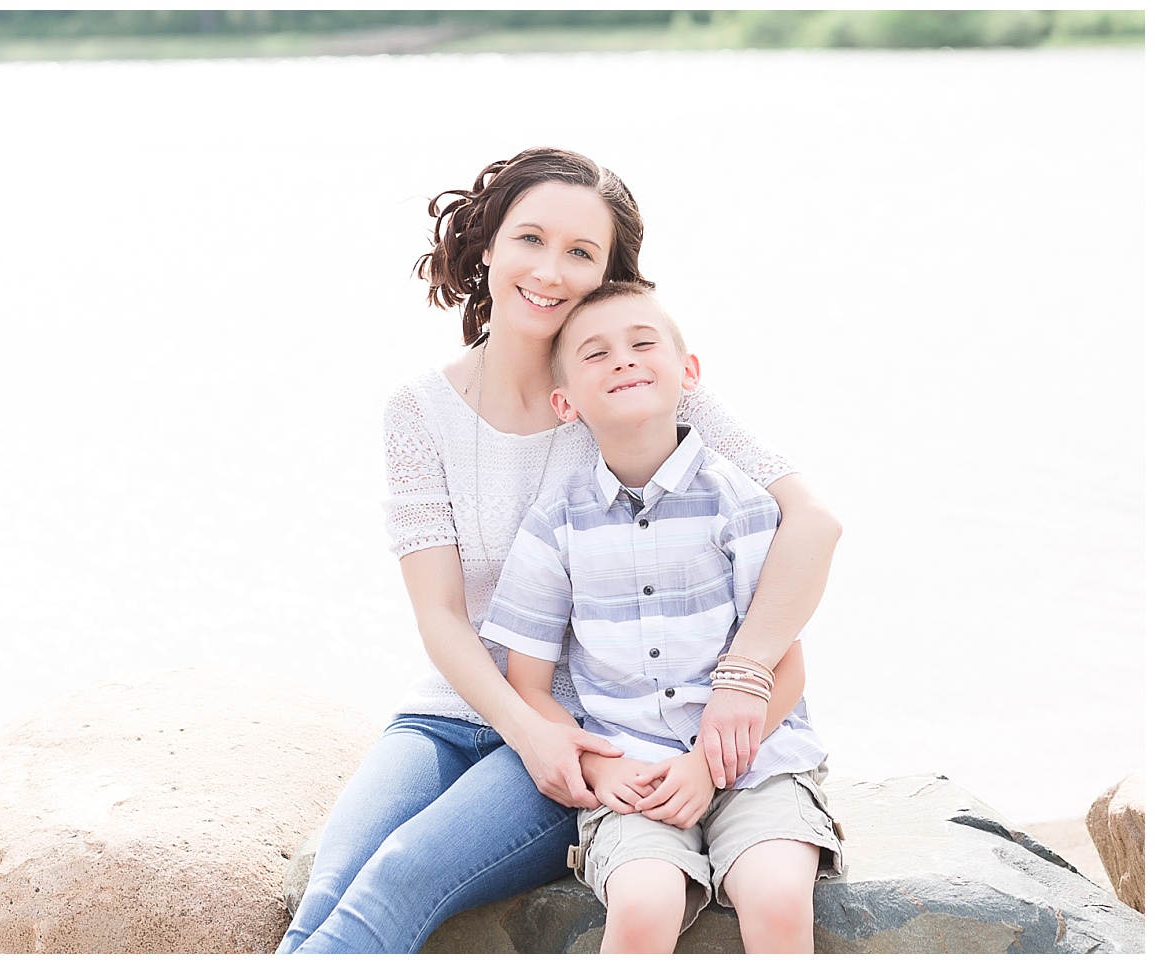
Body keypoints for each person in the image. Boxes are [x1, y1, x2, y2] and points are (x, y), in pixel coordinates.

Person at [277, 147, 841, 954]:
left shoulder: (628, 385)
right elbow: (438, 613)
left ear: (611, 274)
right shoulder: (418, 411)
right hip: (456, 712)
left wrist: (744, 680)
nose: (549, 270)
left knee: (399, 878)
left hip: (590, 728)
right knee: (330, 884)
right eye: (530, 239)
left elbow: (810, 520)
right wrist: (517, 725)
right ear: (487, 245)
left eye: (581, 253)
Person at [481, 282, 843, 953]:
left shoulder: (737, 500)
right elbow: (528, 685)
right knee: (644, 905)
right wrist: (601, 770)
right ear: (566, 403)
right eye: (596, 353)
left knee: (775, 894)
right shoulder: (557, 522)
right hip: (633, 768)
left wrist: (708, 768)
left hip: (755, 761)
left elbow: (784, 659)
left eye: (643, 343)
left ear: (688, 373)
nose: (623, 360)